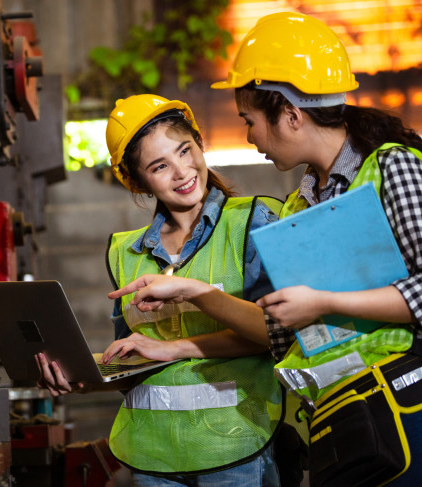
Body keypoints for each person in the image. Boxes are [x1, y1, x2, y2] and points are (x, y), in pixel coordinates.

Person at [116, 12, 422, 486]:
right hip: (343, 416)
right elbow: (279, 334)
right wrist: (191, 295)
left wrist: (324, 303)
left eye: (250, 120)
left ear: (291, 115)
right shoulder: (301, 204)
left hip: (410, 406)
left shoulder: (394, 168)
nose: (248, 136)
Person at [36, 94, 285, 486]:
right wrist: (84, 377)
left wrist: (175, 346)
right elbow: (134, 362)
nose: (182, 171)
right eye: (160, 166)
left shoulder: (252, 222)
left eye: (185, 151)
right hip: (153, 457)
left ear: (200, 143)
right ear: (138, 181)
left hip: (238, 448)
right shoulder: (124, 252)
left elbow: (275, 333)